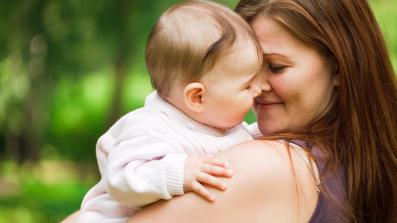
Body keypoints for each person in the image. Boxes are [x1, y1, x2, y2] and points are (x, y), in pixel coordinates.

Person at [124, 0, 397, 222]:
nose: (256, 86)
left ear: (339, 67)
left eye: (276, 67)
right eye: (243, 70)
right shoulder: (358, 162)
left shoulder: (271, 165)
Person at [77, 0, 264, 222]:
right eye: (247, 85)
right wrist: (178, 171)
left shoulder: (219, 121)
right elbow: (121, 180)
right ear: (197, 97)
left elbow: (241, 145)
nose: (260, 89)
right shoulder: (150, 129)